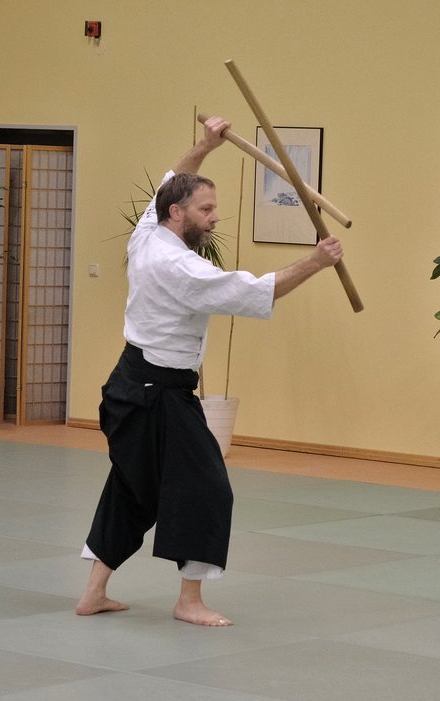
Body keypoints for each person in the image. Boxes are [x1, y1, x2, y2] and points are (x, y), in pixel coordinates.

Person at [76, 116, 342, 626]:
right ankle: (189, 601)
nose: (215, 218)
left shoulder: (149, 232)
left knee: (132, 489)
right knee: (207, 488)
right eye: (206, 209)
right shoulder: (181, 267)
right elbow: (254, 290)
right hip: (158, 396)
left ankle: (94, 594)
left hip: (130, 384)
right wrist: (315, 262)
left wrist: (206, 144)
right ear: (178, 214)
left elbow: (174, 175)